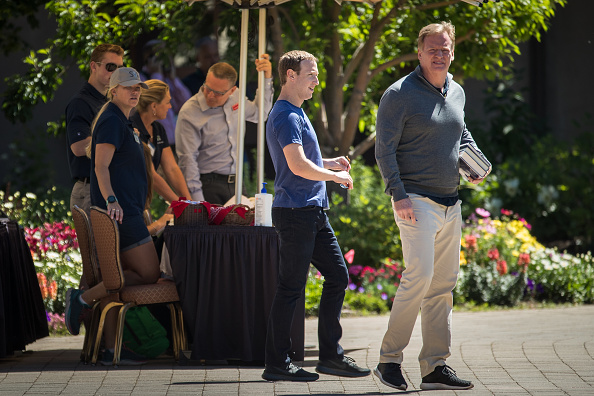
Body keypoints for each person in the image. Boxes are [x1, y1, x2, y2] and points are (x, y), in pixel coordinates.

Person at [374, 21, 490, 391]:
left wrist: (475, 163)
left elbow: (461, 132)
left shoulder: (456, 90)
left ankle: (434, 367)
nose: (439, 55)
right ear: (420, 52)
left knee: (442, 285)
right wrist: (398, 193)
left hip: (450, 201)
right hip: (415, 200)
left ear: (452, 52)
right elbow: (384, 150)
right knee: (419, 277)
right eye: (432, 49)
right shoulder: (399, 94)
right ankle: (389, 360)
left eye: (445, 49)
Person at [262, 50, 370, 382]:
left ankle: (330, 357)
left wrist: (331, 163)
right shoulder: (285, 115)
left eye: (318, 74)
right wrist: (335, 177)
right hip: (295, 213)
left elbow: (305, 160)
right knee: (290, 287)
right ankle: (277, 363)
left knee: (338, 276)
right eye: (311, 74)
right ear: (290, 76)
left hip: (311, 211)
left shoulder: (296, 112)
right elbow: (296, 166)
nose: (317, 80)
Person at [65, 67, 160, 366]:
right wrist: (111, 200)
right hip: (120, 213)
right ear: (113, 90)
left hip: (129, 210)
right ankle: (82, 298)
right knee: (149, 273)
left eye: (138, 88)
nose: (135, 91)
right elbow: (100, 166)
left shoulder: (122, 119)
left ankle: (110, 350)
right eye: (128, 87)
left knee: (116, 279)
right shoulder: (109, 120)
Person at [175, 56, 274, 204]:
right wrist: (199, 202)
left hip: (237, 182)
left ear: (232, 90)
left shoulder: (236, 97)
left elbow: (260, 114)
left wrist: (266, 78)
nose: (210, 95)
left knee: (244, 227)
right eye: (207, 88)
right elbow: (188, 161)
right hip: (207, 183)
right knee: (213, 227)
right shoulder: (190, 112)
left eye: (218, 93)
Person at [66, 44, 125, 214]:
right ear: (94, 66)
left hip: (108, 188)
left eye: (120, 69)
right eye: (110, 67)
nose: (115, 74)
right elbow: (78, 147)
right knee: (96, 242)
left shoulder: (112, 102)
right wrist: (118, 139)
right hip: (90, 189)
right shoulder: (80, 103)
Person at [131, 79, 192, 202]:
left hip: (141, 198)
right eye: (167, 102)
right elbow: (150, 173)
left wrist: (189, 201)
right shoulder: (132, 128)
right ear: (154, 106)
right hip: (124, 199)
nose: (170, 106)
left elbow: (172, 168)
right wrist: (179, 204)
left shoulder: (158, 129)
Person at [139, 40, 192, 148]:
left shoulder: (167, 79)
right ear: (148, 59)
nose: (163, 60)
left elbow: (187, 103)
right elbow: (152, 104)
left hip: (174, 143)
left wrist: (174, 79)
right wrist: (156, 74)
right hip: (155, 144)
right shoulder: (141, 79)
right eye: (159, 55)